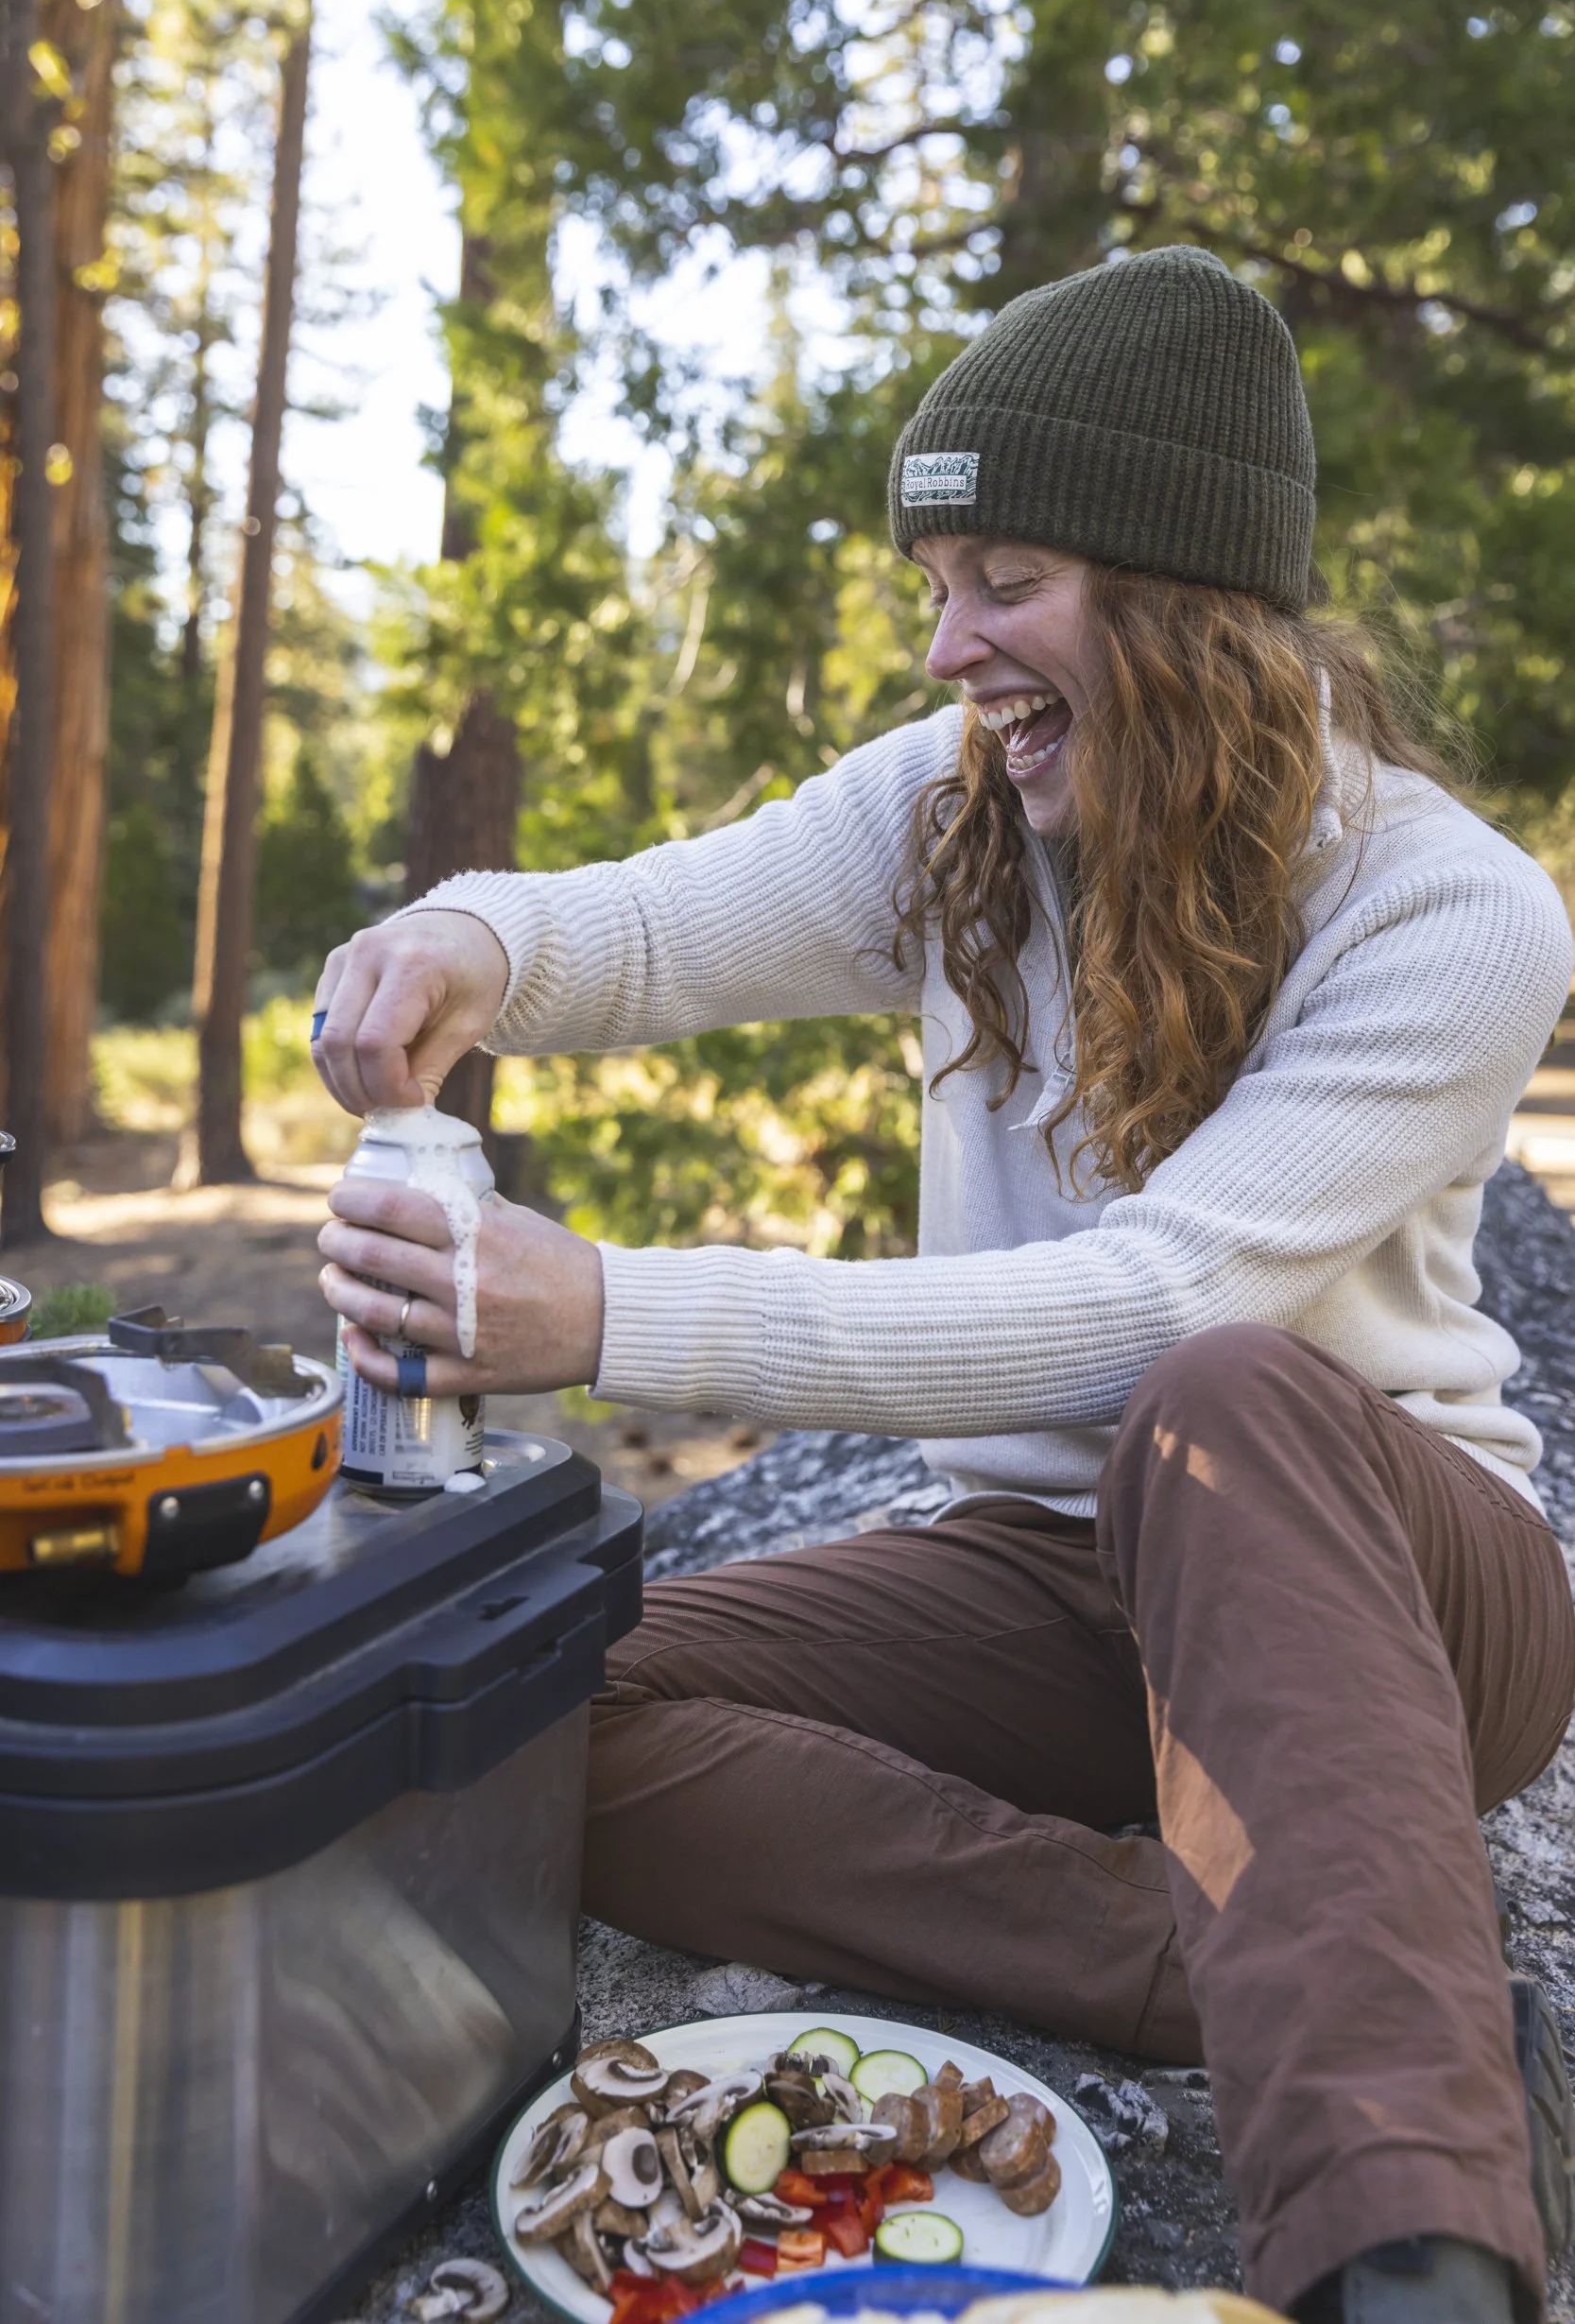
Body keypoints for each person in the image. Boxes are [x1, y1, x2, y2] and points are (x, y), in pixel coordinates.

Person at [313, 246, 1575, 2324]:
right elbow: (643, 924)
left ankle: (1410, 2245)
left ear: (1173, 594)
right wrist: (461, 939)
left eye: (1000, 574)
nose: (945, 642)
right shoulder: (954, 814)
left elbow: (1158, 1303)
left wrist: (611, 1310)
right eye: (931, 578)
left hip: (1387, 1594)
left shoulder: (1447, 903)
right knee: (535, 1703)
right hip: (1041, 1578)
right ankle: (1296, 1956)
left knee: (1225, 1389)